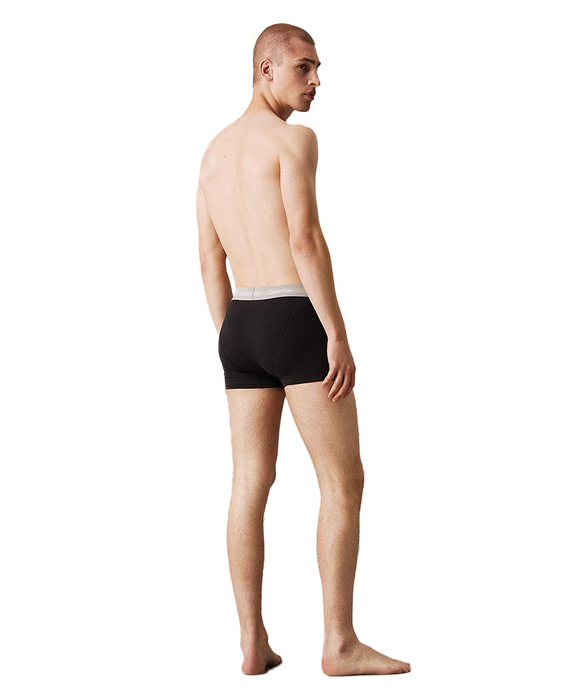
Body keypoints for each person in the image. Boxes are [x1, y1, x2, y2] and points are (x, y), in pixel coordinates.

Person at [196, 22, 411, 677]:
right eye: (304, 67)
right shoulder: (294, 140)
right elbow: (305, 239)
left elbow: (209, 258)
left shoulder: (213, 153)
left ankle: (252, 642)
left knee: (248, 483)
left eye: (318, 70)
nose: (316, 81)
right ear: (265, 69)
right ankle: (339, 644)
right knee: (343, 481)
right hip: (295, 315)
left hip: (240, 325)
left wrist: (234, 338)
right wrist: (335, 333)